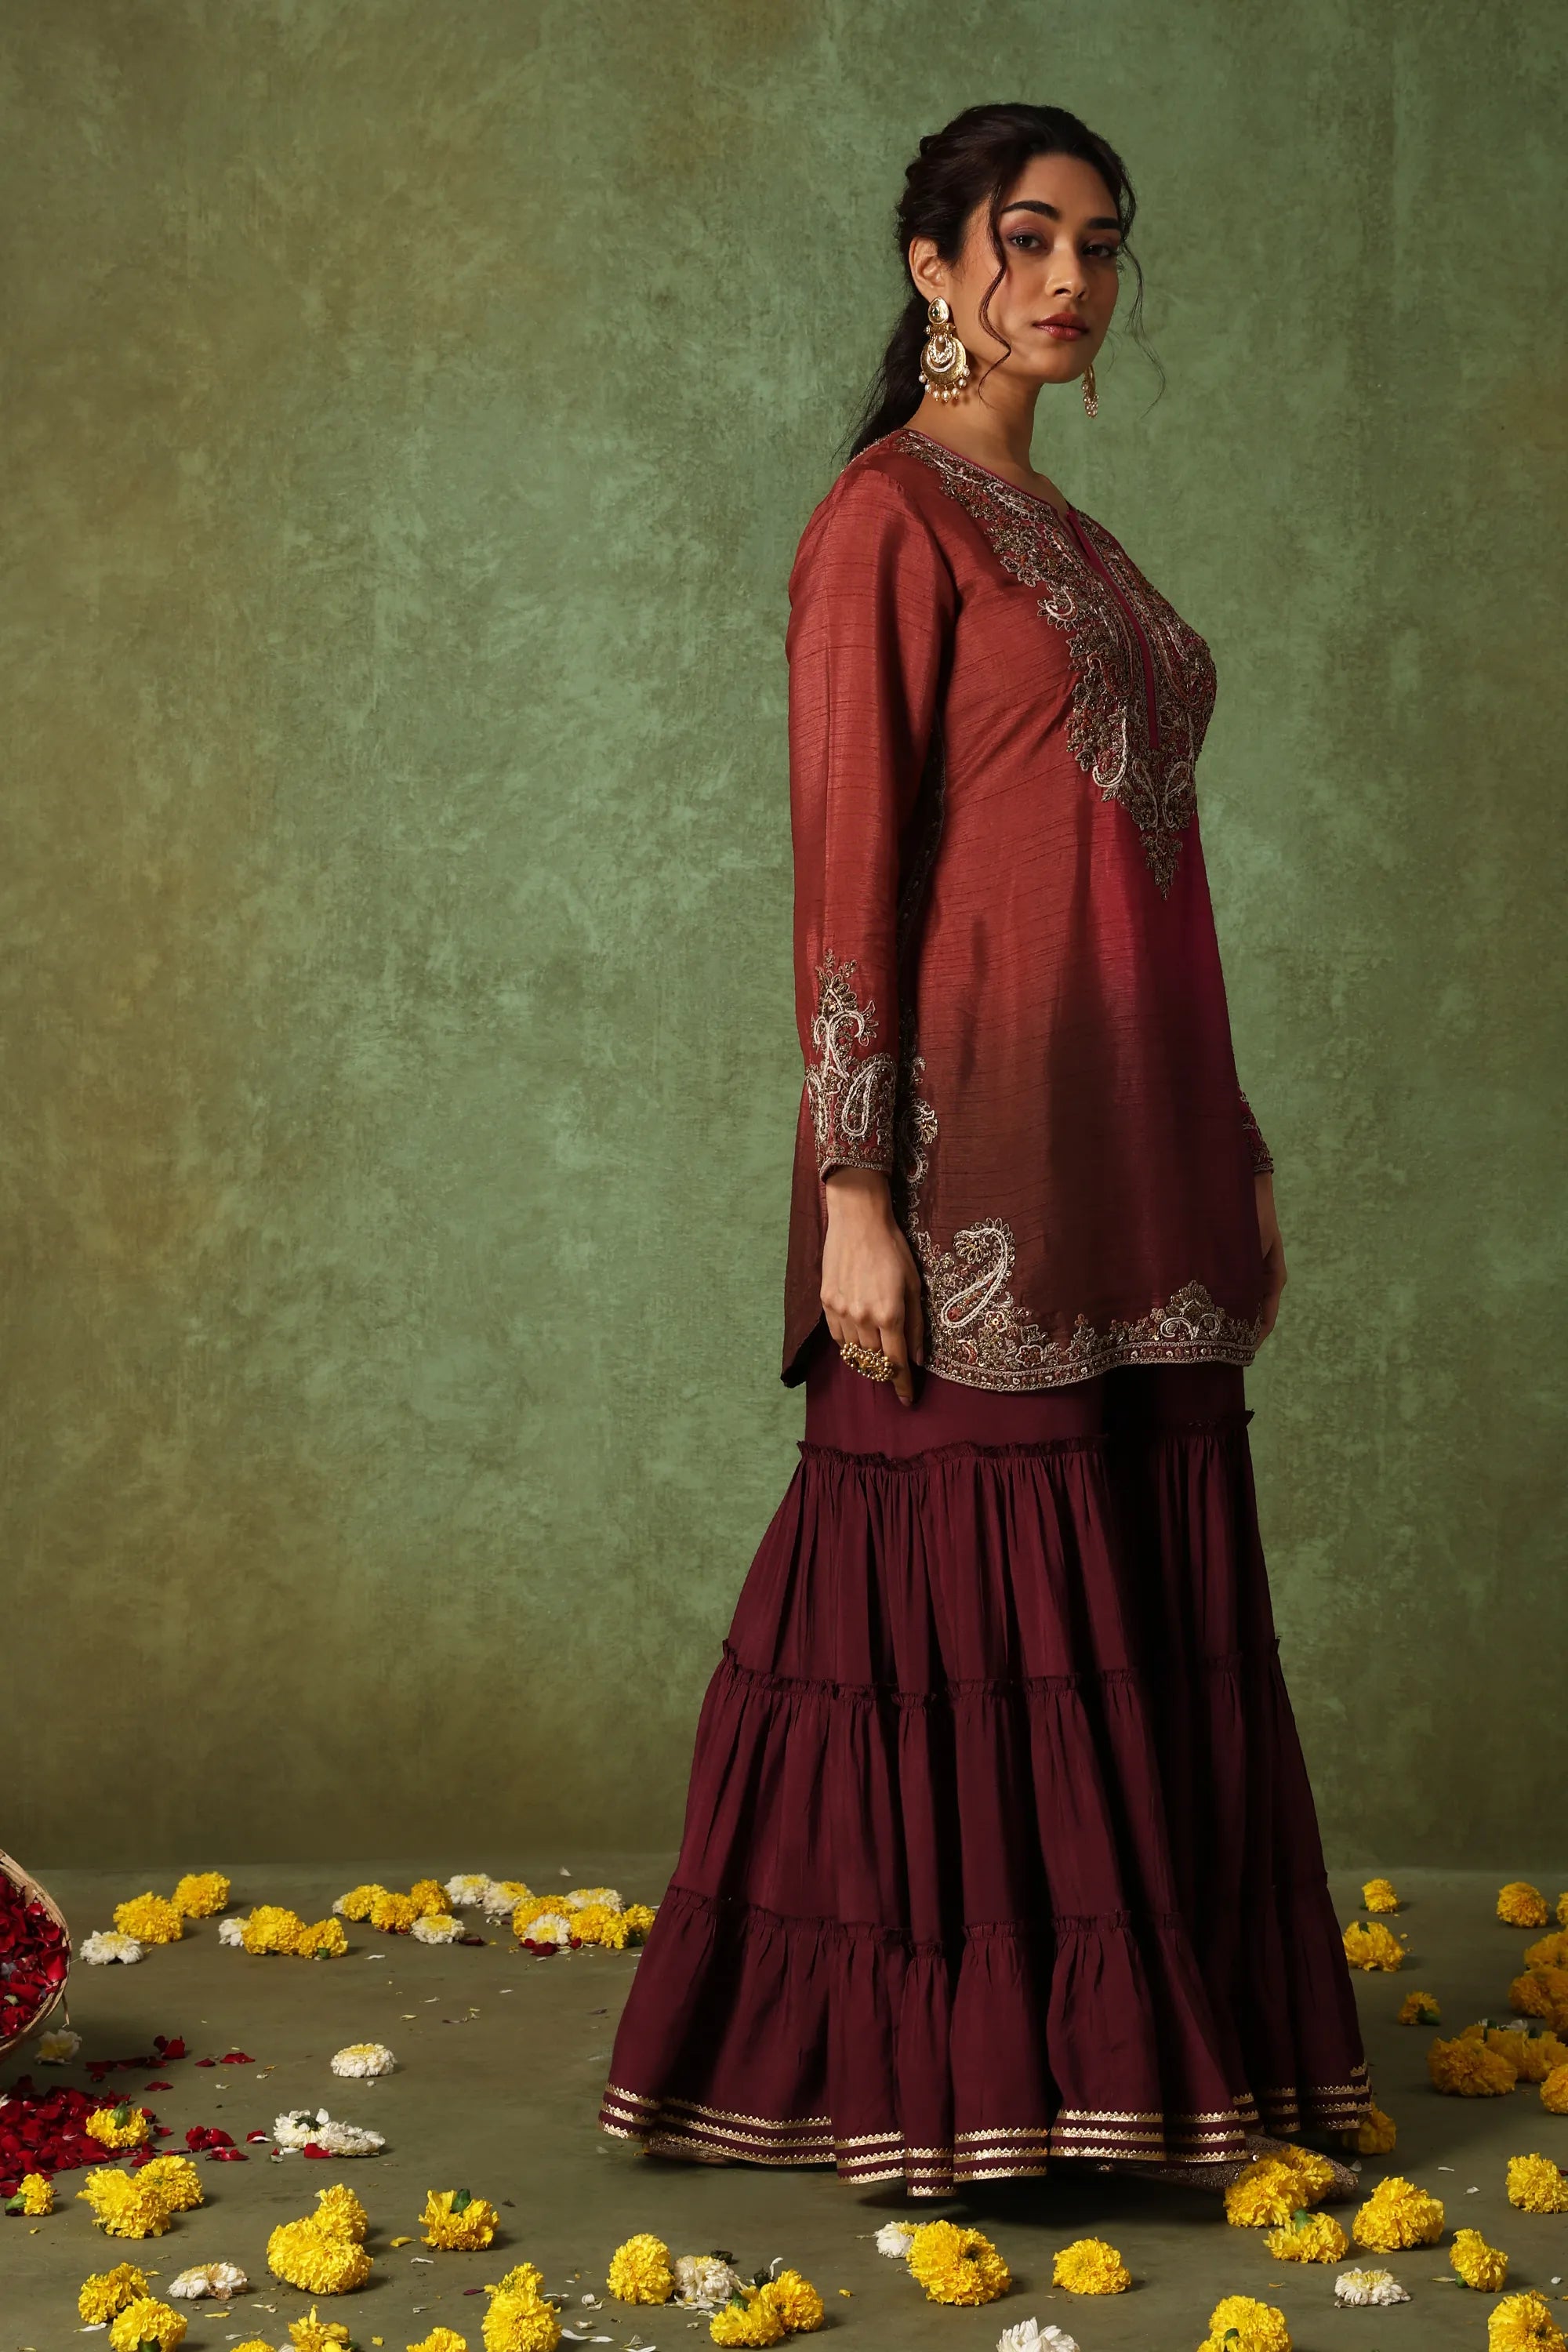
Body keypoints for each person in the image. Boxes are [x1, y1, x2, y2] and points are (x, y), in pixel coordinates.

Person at [599, 100, 1370, 2201]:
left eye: (1100, 246)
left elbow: (1149, 872)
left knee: (1133, 1569)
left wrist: (1234, 1138)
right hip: (975, 1165)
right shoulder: (888, 518)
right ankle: (966, 2073)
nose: (1069, 280)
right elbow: (847, 872)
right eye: (1026, 240)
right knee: (955, 1582)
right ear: (933, 268)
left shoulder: (1075, 538)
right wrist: (853, 1189)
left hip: (1139, 1152)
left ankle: (1154, 2060)